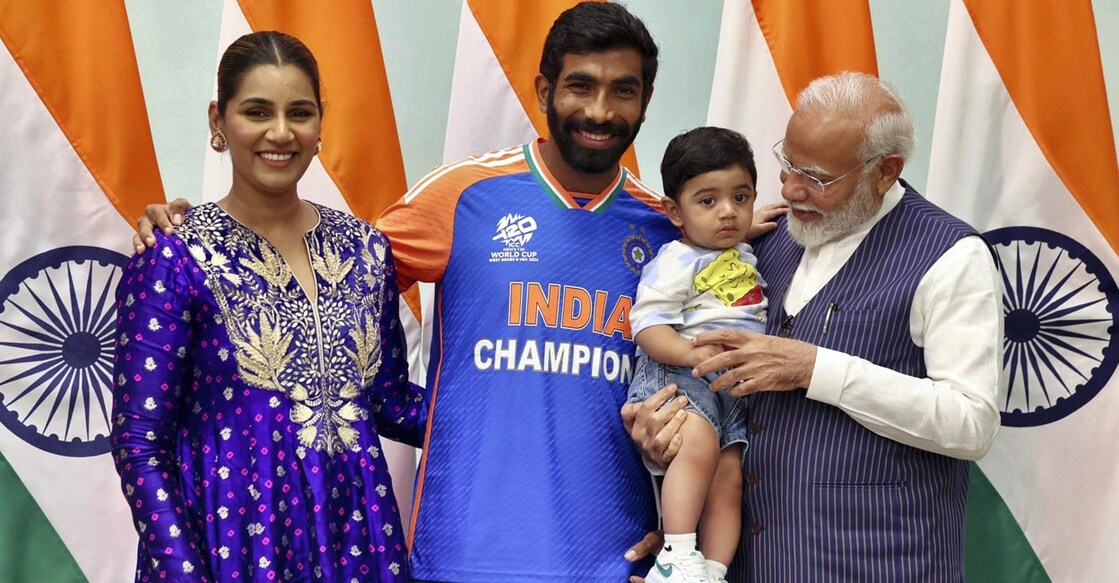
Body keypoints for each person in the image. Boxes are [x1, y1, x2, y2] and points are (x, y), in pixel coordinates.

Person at [132, 5, 783, 581]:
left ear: (643, 102)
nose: (599, 110)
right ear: (542, 90)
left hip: (613, 557)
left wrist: (673, 530)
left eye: (623, 91)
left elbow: (707, 393)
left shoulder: (665, 228)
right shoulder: (460, 197)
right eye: (580, 86)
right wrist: (192, 230)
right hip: (457, 554)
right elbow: (304, 272)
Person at [626, 71, 1003, 582]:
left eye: (818, 178)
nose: (791, 188)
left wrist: (816, 368)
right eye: (787, 165)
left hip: (883, 567)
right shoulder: (757, 239)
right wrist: (664, 443)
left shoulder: (952, 256)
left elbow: (971, 424)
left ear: (885, 171)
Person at [111, 31, 426, 582]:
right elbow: (139, 444)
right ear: (219, 120)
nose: (280, 133)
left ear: (320, 124)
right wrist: (184, 572)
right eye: (257, 111)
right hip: (227, 545)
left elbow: (390, 401)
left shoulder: (366, 251)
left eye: (299, 113)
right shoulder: (174, 255)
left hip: (356, 543)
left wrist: (524, 410)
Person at [626, 127, 767, 583]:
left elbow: (736, 231)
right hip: (680, 375)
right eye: (708, 201)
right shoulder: (675, 260)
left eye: (740, 197)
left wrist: (752, 221)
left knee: (729, 479)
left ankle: (711, 571)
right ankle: (677, 556)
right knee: (700, 446)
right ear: (675, 211)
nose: (728, 212)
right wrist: (691, 354)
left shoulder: (741, 249)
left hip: (731, 389)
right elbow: (647, 327)